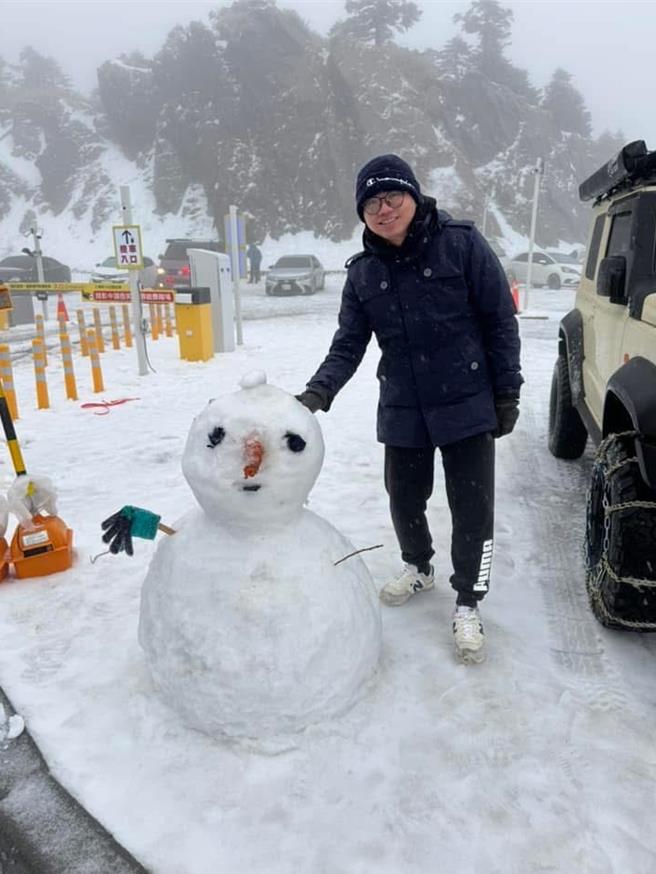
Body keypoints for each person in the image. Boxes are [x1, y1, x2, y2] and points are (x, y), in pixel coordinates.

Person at [296, 154, 522, 664]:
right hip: (403, 404)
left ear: (414, 197)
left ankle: (469, 598)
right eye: (371, 202)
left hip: (466, 403)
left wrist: (507, 393)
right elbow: (348, 344)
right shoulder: (362, 273)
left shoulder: (461, 244)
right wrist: (317, 393)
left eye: (392, 196)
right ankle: (419, 566)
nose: (383, 209)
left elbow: (500, 321)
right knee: (403, 498)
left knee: (473, 511)